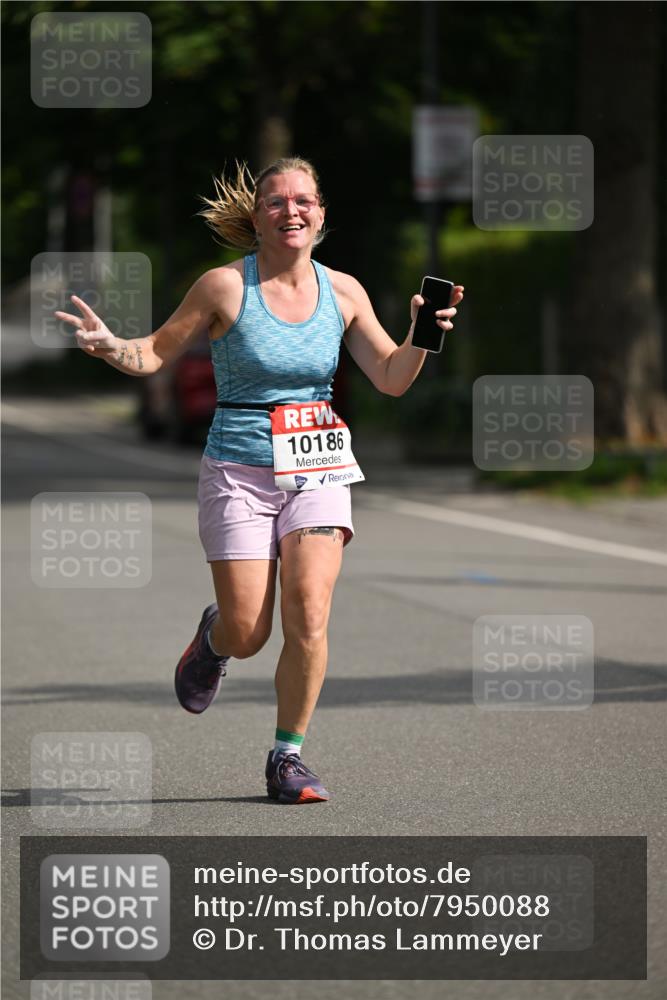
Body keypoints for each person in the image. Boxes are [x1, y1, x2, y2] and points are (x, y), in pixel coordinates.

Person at [55, 156, 464, 804]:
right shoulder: (223, 287)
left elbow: (389, 376)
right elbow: (155, 352)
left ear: (321, 213)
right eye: (276, 202)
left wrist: (420, 335)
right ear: (257, 217)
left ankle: (287, 756)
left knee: (309, 612)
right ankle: (214, 638)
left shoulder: (345, 292)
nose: (290, 211)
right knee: (250, 632)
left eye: (303, 200)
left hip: (318, 463)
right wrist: (111, 346)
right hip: (238, 471)